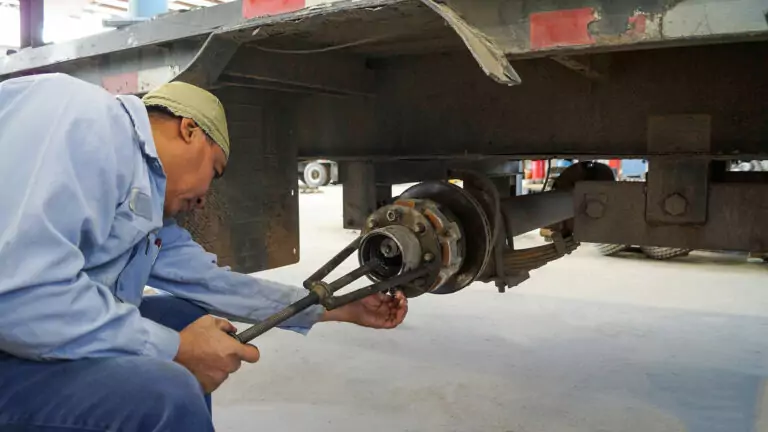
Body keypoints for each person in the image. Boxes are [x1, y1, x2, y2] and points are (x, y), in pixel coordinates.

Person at [0, 73, 408, 431]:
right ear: (189, 130)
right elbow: (20, 296)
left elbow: (218, 286)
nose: (205, 196)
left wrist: (337, 307)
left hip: (21, 336)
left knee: (184, 318)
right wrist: (173, 348)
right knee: (169, 392)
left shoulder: (146, 213)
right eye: (214, 170)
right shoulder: (84, 117)